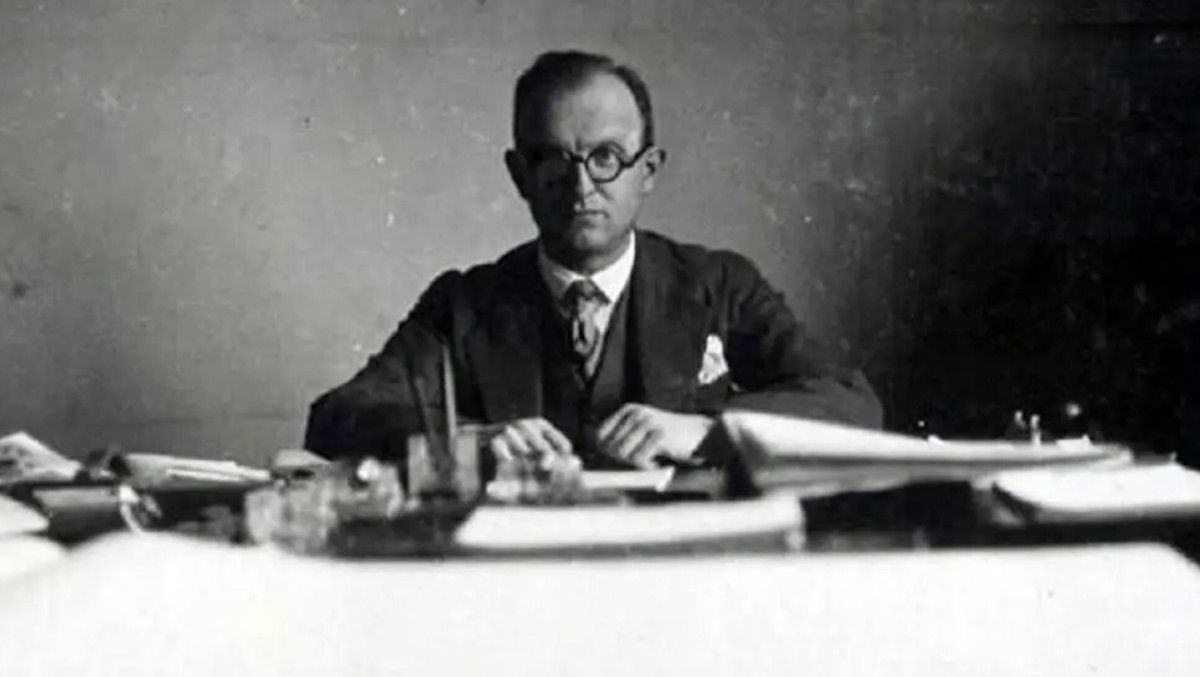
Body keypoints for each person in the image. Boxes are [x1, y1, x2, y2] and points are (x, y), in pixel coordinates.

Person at [305, 50, 881, 473]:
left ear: (648, 170)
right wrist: (471, 441)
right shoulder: (464, 304)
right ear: (520, 176)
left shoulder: (718, 285)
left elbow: (850, 403)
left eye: (606, 157)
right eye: (554, 161)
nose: (582, 187)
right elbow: (337, 417)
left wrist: (708, 432)